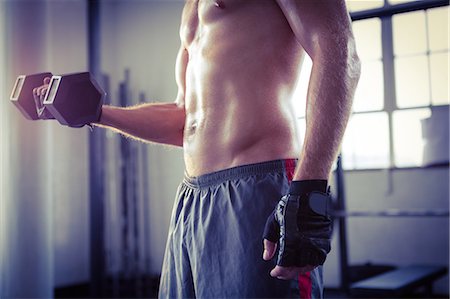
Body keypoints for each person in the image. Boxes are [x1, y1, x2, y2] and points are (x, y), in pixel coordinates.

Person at [34, 0, 360, 297]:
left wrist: (309, 189)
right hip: (193, 200)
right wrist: (95, 112)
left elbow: (338, 50)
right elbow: (186, 119)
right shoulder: (191, 9)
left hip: (257, 188)